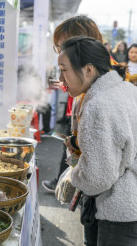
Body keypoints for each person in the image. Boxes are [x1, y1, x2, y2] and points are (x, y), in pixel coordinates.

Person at [59, 36, 137, 246]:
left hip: (118, 212)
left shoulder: (98, 105)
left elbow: (96, 179)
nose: (61, 79)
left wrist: (75, 175)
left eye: (64, 70)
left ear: (88, 69)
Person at [42, 15, 104, 193]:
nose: (59, 52)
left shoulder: (102, 98)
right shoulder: (93, 77)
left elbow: (101, 169)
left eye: (61, 46)